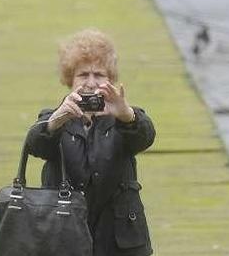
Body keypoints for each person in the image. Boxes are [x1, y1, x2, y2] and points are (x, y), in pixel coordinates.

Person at [26, 28, 155, 256]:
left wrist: (125, 115)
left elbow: (145, 136)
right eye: (83, 75)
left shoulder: (125, 117)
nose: (91, 83)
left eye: (99, 75)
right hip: (65, 233)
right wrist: (58, 118)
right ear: (70, 79)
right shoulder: (55, 117)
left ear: (111, 79)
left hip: (118, 237)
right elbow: (35, 143)